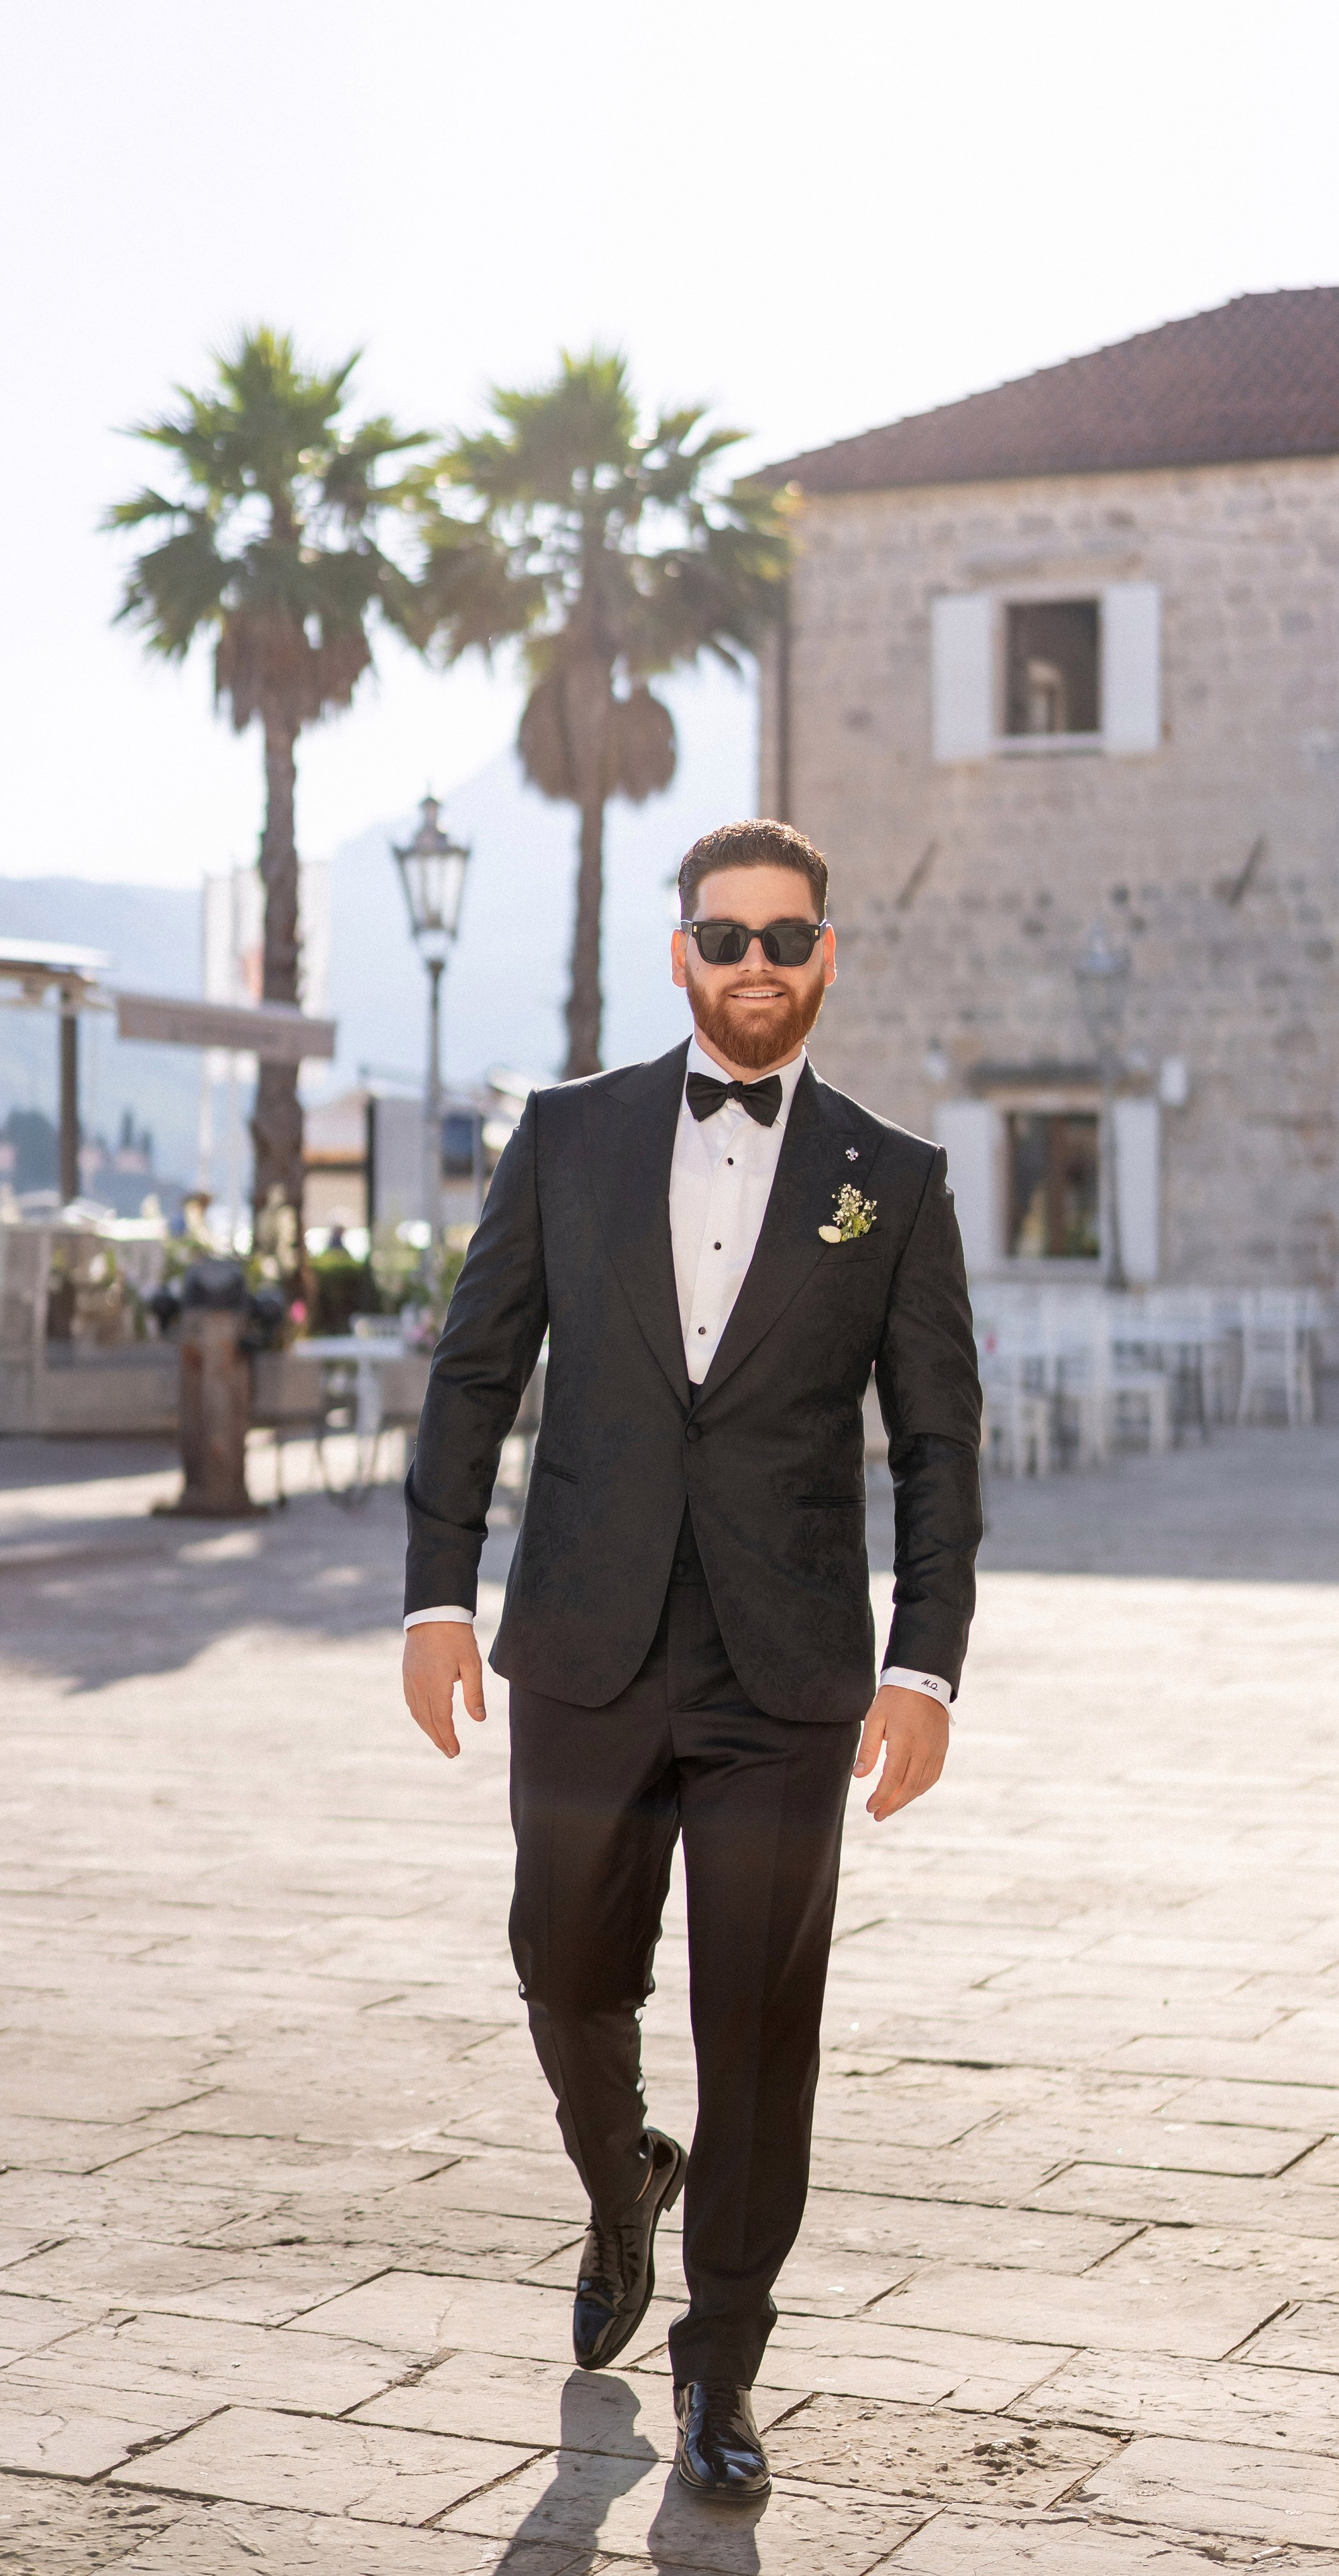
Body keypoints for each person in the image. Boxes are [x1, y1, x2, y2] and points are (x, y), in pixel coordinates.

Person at [401, 818, 982, 2501]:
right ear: (679, 953)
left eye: (783, 941)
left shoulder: (894, 1179)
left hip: (786, 1668)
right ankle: (619, 2176)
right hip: (582, 1633)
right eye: (721, 939)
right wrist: (439, 1594)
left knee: (761, 2020)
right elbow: (473, 1369)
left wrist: (922, 1667)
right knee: (563, 1963)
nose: (751, 967)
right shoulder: (567, 1136)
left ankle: (723, 2361)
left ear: (823, 955)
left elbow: (938, 1448)